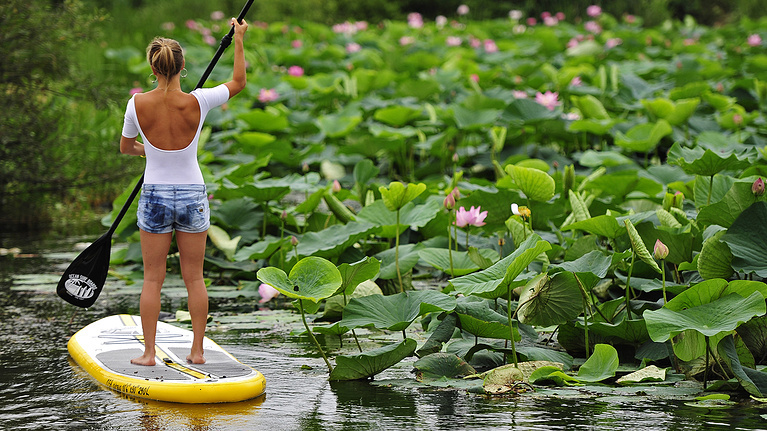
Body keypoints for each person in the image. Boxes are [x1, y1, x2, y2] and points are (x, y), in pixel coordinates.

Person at [119, 18, 248, 366]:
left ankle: (148, 354)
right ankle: (197, 351)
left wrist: (152, 150)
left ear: (153, 67)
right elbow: (239, 82)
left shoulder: (136, 105)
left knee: (152, 278)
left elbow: (126, 148)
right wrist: (238, 39)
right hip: (192, 193)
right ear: (182, 67)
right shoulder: (200, 100)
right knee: (194, 277)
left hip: (155, 194)